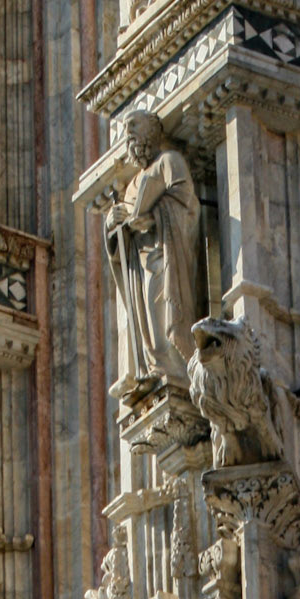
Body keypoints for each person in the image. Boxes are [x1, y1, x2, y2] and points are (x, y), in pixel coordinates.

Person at [104, 112, 201, 391]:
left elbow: (187, 203)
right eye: (126, 132)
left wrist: (155, 216)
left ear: (150, 132)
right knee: (140, 315)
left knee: (159, 314)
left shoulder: (169, 161)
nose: (129, 136)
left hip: (164, 254)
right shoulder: (133, 183)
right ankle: (148, 369)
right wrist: (113, 223)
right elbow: (117, 239)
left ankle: (173, 369)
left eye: (134, 128)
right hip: (137, 261)